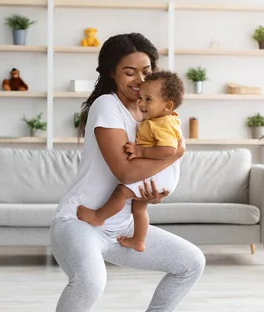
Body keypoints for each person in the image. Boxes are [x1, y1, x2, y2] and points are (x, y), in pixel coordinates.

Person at [49, 33, 206, 312]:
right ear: (111, 73)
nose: (138, 80)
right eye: (128, 72)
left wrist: (152, 195)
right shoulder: (107, 106)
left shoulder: (152, 112)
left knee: (191, 262)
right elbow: (125, 170)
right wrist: (175, 154)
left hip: (121, 226)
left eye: (146, 71)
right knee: (91, 281)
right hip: (80, 221)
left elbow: (141, 177)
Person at [76, 70, 185, 253]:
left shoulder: (163, 123)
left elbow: (169, 150)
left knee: (121, 192)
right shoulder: (161, 119)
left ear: (167, 106)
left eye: (148, 100)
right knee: (139, 207)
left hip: (160, 172)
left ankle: (98, 217)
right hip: (163, 175)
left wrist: (141, 150)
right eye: (141, 98)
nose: (141, 103)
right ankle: (138, 240)